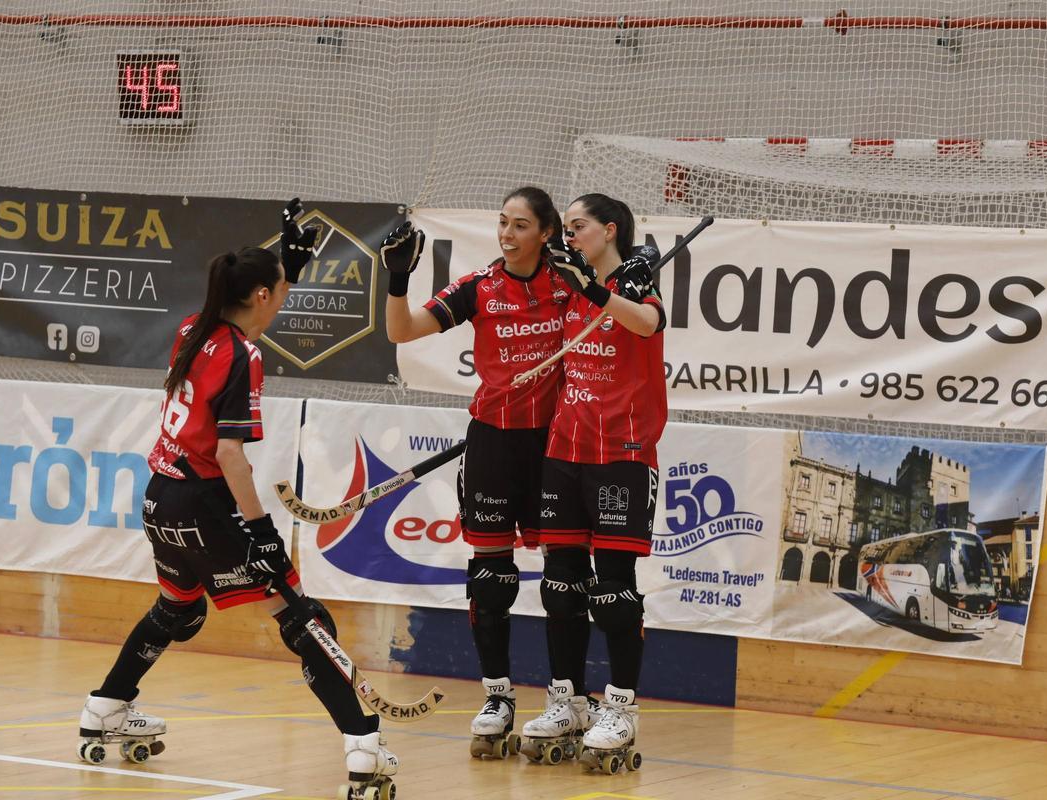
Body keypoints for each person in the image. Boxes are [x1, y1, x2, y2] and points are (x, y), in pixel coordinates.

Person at [76, 201, 398, 797]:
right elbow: (229, 455)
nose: (282, 301)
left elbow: (245, 314)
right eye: (279, 292)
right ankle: (365, 746)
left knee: (179, 608)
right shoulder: (244, 356)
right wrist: (263, 532)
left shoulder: (192, 329)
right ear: (258, 294)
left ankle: (106, 707)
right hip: (204, 503)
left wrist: (285, 268)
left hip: (160, 498)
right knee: (302, 617)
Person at [382, 187, 569, 756]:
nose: (507, 235)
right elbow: (402, 331)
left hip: (555, 444)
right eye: (503, 224)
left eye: (520, 226)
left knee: (566, 574)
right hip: (491, 441)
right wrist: (395, 281)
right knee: (490, 576)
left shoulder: (569, 285)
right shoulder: (480, 287)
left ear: (545, 233)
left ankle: (568, 698)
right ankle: (498, 695)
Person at [521, 193, 665, 770]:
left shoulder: (634, 291)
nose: (569, 236)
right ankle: (568, 701)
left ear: (610, 231)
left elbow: (649, 323)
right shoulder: (568, 286)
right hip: (564, 451)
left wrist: (602, 288)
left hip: (621, 455)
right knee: (560, 584)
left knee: (613, 587)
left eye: (579, 227)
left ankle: (621, 708)